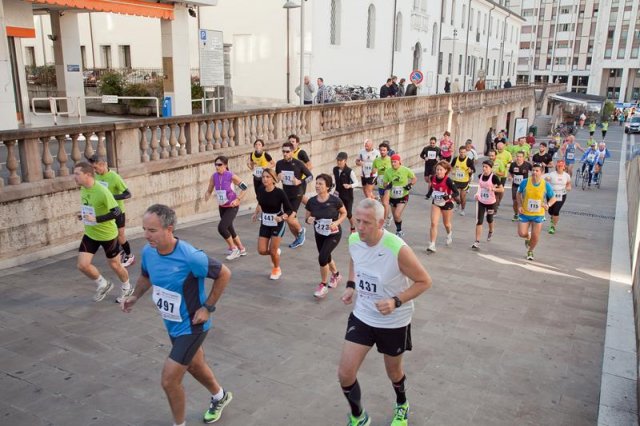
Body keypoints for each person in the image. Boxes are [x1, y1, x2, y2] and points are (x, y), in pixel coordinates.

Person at [121, 204, 233, 426]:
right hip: (172, 324)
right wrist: (135, 296)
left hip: (192, 325)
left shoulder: (190, 256)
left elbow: (224, 274)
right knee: (195, 365)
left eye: (152, 230)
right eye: (144, 229)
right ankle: (220, 396)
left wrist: (207, 308)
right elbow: (146, 276)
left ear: (169, 228)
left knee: (169, 380)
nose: (146, 235)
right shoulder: (149, 252)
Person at [338, 198, 432, 426]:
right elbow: (354, 260)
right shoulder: (354, 239)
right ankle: (359, 416)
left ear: (381, 223)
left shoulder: (397, 248)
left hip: (393, 321)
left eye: (366, 223)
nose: (360, 227)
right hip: (363, 315)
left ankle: (402, 403)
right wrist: (351, 285)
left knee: (393, 372)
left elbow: (424, 281)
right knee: (345, 374)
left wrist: (395, 301)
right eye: (357, 220)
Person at [73, 161, 131, 303]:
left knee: (115, 265)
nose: (74, 177)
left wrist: (96, 218)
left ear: (87, 175)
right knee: (82, 265)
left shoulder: (102, 191)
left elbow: (117, 212)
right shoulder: (83, 188)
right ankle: (103, 284)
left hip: (107, 235)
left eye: (77, 174)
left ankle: (127, 287)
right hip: (91, 233)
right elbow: (90, 206)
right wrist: (84, 215)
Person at [305, 174, 348, 298]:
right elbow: (307, 219)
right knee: (326, 256)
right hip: (319, 233)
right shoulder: (311, 201)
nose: (317, 186)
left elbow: (344, 213)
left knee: (322, 258)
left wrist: (337, 222)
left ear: (327, 186)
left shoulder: (335, 200)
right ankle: (336, 275)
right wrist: (309, 219)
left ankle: (323, 285)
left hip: (333, 234)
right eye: (317, 183)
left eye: (320, 184)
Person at [88, 154, 135, 267]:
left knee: (120, 235)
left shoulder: (114, 177)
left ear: (103, 164)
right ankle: (120, 253)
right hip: (106, 212)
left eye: (95, 168)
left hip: (118, 211)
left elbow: (128, 194)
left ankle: (129, 256)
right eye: (92, 168)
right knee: (111, 235)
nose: (94, 170)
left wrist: (111, 197)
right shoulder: (96, 177)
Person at [252, 168, 293, 280]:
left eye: (267, 177)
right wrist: (256, 213)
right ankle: (275, 253)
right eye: (263, 177)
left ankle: (276, 268)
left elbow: (289, 210)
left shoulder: (279, 193)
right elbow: (260, 202)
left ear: (273, 179)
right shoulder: (260, 190)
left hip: (277, 223)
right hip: (265, 223)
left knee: (273, 250)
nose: (264, 179)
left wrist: (281, 217)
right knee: (261, 250)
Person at [204, 156, 248, 260]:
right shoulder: (214, 176)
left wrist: (238, 199)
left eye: (220, 165)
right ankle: (241, 249)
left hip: (232, 206)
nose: (217, 167)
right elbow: (209, 190)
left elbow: (245, 188)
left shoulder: (231, 176)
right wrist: (207, 195)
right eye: (216, 164)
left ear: (225, 165)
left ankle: (234, 249)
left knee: (222, 228)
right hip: (222, 207)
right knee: (229, 228)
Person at [276, 141, 313, 248]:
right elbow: (276, 179)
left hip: (297, 194)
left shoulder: (298, 163)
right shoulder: (279, 164)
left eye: (287, 151)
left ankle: (301, 231)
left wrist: (299, 181)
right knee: (290, 221)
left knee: (289, 218)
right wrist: (277, 178)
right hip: (285, 194)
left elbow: (310, 176)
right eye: (283, 151)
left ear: (292, 152)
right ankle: (298, 239)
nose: (285, 154)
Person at [516, 163, 556, 260]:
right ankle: (527, 236)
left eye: (537, 171)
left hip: (538, 214)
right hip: (525, 213)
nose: (534, 172)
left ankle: (530, 251)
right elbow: (518, 193)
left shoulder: (546, 185)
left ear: (542, 172)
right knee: (521, 233)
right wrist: (520, 205)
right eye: (533, 170)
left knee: (536, 235)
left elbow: (553, 198)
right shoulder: (525, 182)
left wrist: (548, 205)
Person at [426, 161, 460, 252]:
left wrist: (449, 196)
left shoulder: (448, 180)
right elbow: (432, 188)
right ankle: (432, 244)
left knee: (447, 224)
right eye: (437, 169)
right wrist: (428, 195)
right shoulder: (432, 177)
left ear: (446, 171)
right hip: (436, 202)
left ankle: (449, 234)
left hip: (447, 203)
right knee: (433, 223)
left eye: (441, 170)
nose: (439, 172)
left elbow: (456, 192)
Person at [472, 160, 504, 249]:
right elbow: (480, 187)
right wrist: (477, 194)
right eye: (483, 166)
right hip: (481, 202)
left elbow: (502, 189)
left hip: (491, 203)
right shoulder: (480, 176)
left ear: (491, 168)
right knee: (479, 221)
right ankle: (477, 241)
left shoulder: (494, 178)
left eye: (486, 167)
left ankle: (491, 231)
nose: (484, 168)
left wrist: (494, 189)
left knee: (489, 219)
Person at [382, 154, 417, 237]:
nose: (393, 164)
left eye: (395, 162)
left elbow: (414, 178)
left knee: (397, 214)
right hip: (393, 196)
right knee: (395, 217)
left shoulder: (405, 170)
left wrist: (410, 185)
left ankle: (399, 231)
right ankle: (398, 229)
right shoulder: (388, 171)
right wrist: (387, 186)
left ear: (399, 162)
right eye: (391, 162)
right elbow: (384, 184)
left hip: (403, 196)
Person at [333, 152, 359, 233]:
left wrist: (349, 186)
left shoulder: (349, 171)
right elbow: (336, 180)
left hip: (347, 196)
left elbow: (357, 183)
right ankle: (334, 227)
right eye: (338, 160)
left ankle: (353, 226)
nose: (339, 162)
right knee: (334, 211)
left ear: (345, 161)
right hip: (337, 194)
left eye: (341, 160)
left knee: (348, 214)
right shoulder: (335, 169)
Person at [544, 160, 571, 234]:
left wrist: (568, 187)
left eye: (561, 166)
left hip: (561, 195)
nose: (559, 167)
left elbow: (568, 184)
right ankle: (552, 218)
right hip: (551, 195)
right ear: (556, 166)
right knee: (550, 211)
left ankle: (553, 227)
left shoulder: (566, 176)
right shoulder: (552, 174)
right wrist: (545, 179)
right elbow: (542, 177)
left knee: (556, 211)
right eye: (558, 166)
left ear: (564, 167)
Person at [450, 146, 476, 216]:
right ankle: (458, 203)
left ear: (466, 152)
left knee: (462, 196)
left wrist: (471, 170)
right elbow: (451, 166)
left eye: (464, 152)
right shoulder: (455, 159)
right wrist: (452, 170)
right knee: (455, 196)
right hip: (456, 180)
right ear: (459, 152)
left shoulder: (469, 160)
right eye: (461, 152)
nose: (462, 154)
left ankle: (462, 209)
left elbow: (474, 170)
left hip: (464, 181)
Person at [372, 142, 393, 226]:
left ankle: (383, 221)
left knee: (385, 202)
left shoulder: (391, 160)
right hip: (380, 183)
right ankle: (388, 216)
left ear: (387, 151)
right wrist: (374, 172)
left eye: (384, 150)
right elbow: (373, 170)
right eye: (381, 150)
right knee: (384, 203)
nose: (382, 152)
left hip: (388, 183)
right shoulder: (376, 160)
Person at [289, 133, 313, 205]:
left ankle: (313, 207)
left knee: (300, 197)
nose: (291, 143)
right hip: (291, 180)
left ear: (297, 143)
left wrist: (302, 171)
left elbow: (310, 166)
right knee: (293, 199)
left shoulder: (301, 153)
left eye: (293, 142)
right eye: (290, 142)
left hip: (300, 181)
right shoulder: (288, 153)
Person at [508, 151, 532, 222]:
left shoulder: (527, 165)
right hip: (515, 185)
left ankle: (524, 214)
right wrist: (510, 177)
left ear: (523, 158)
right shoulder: (513, 164)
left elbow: (534, 171)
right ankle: (516, 214)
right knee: (515, 201)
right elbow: (510, 173)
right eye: (517, 156)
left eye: (520, 157)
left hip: (525, 185)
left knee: (524, 200)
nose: (518, 158)